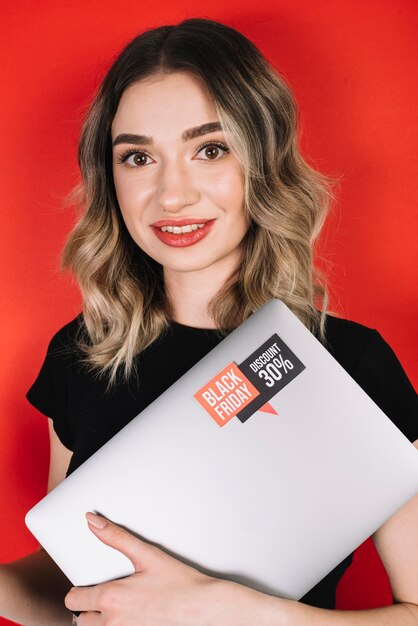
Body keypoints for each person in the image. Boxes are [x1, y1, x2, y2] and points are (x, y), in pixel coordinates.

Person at [1, 17, 417, 626]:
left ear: (263, 160)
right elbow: (76, 587)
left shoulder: (349, 364)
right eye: (138, 157)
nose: (172, 195)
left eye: (210, 149)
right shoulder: (83, 353)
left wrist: (228, 610)